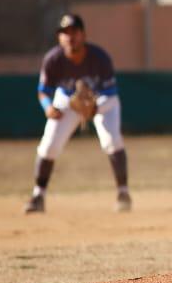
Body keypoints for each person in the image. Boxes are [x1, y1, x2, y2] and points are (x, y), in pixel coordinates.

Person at [23, 13, 132, 213]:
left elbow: (111, 93)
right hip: (67, 99)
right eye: (64, 33)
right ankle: (38, 196)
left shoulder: (100, 58)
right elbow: (43, 92)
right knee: (49, 145)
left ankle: (123, 192)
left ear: (83, 35)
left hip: (101, 100)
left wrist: (94, 109)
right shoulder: (53, 59)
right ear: (59, 37)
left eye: (74, 32)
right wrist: (48, 107)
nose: (69, 37)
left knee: (112, 140)